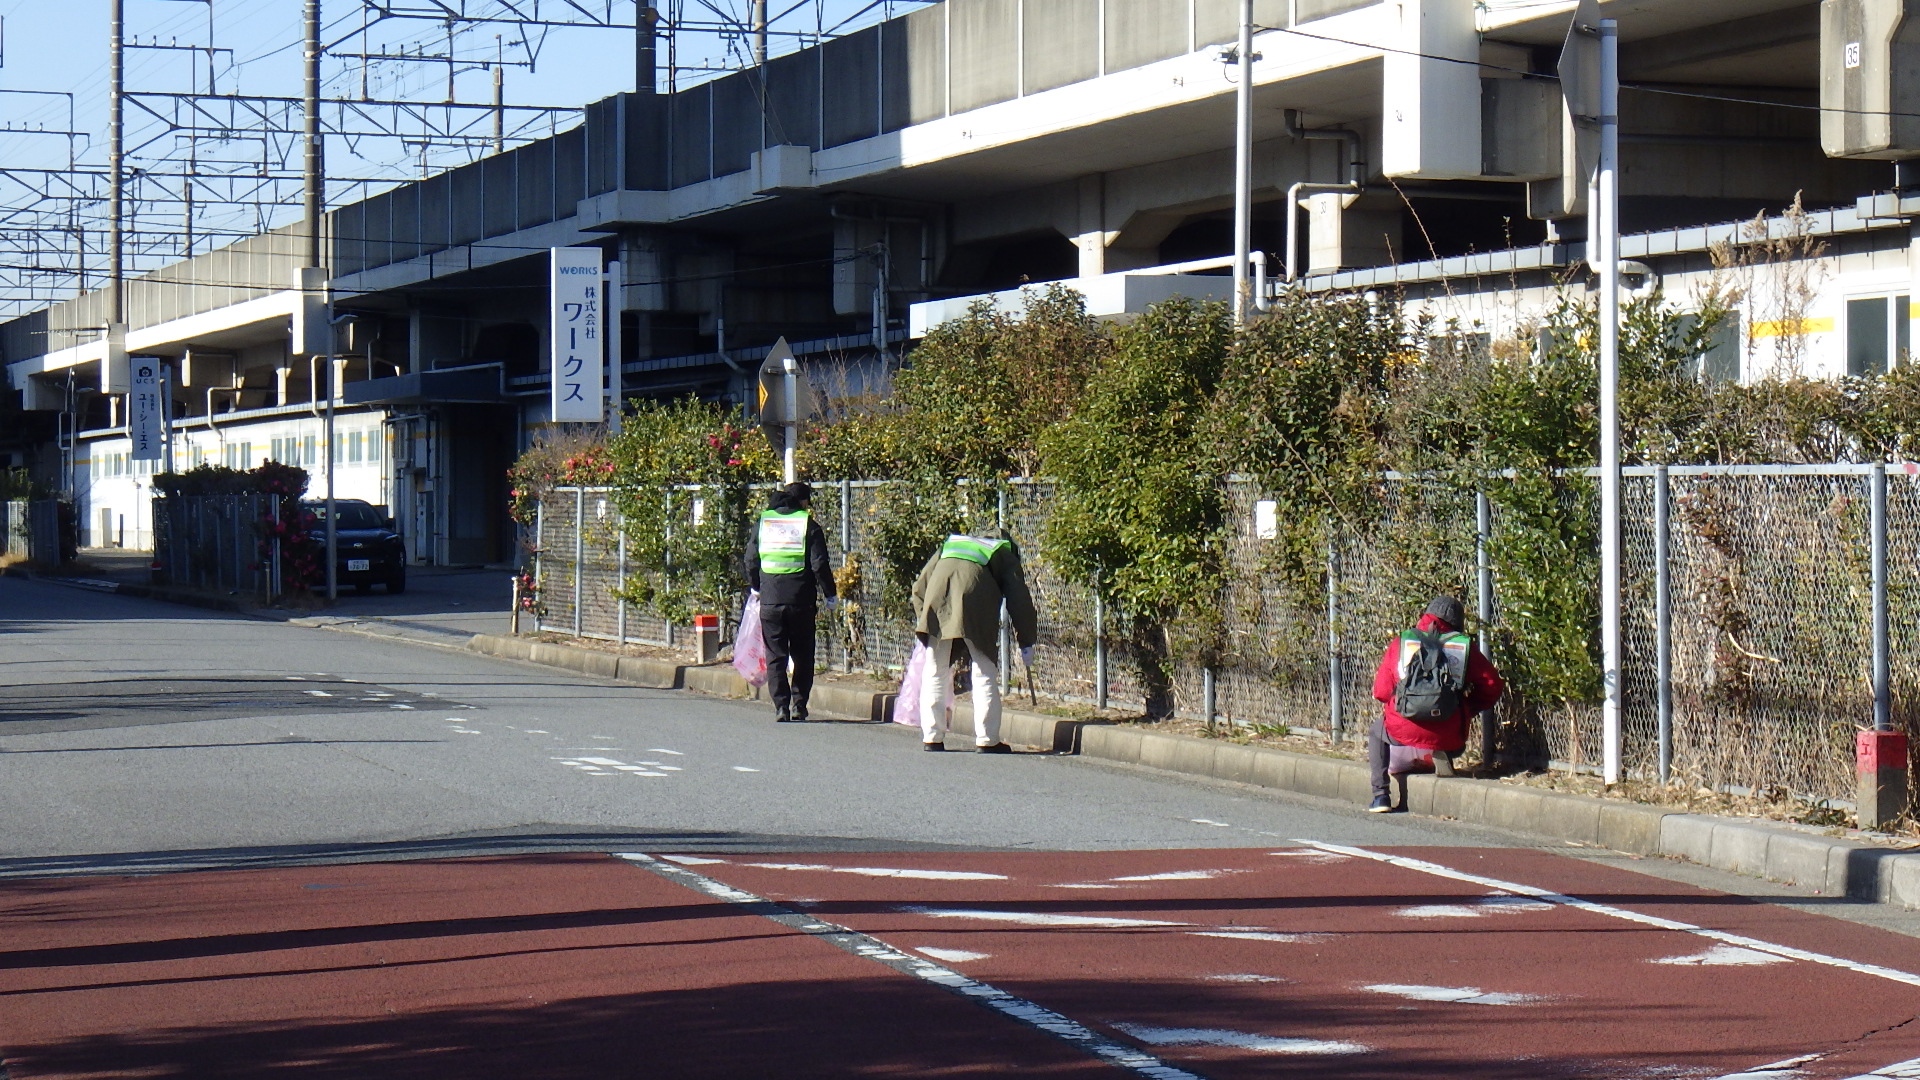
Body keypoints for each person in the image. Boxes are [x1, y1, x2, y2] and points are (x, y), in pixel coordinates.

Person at [1367, 594, 1505, 812]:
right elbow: (1492, 685)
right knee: (1450, 721)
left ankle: (1381, 795)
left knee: (1377, 732)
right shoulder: (1464, 647)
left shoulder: (1403, 641)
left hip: (1402, 726)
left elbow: (1382, 691)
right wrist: (1468, 709)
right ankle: (1442, 754)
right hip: (1450, 732)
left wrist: (1402, 704)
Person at [911, 531, 1037, 753]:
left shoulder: (951, 543)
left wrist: (926, 621)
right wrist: (1026, 641)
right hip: (976, 599)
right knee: (983, 669)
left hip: (936, 598)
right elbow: (1019, 600)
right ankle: (987, 740)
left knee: (935, 669)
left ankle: (931, 737)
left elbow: (919, 589)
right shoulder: (1004, 553)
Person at [742, 482, 837, 722]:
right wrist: (830, 594)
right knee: (803, 654)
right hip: (801, 601)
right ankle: (799, 705)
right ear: (802, 501)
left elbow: (751, 559)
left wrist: (756, 587)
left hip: (770, 601)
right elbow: (819, 564)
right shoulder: (808, 525)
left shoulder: (764, 523)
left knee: (776, 654)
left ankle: (780, 707)